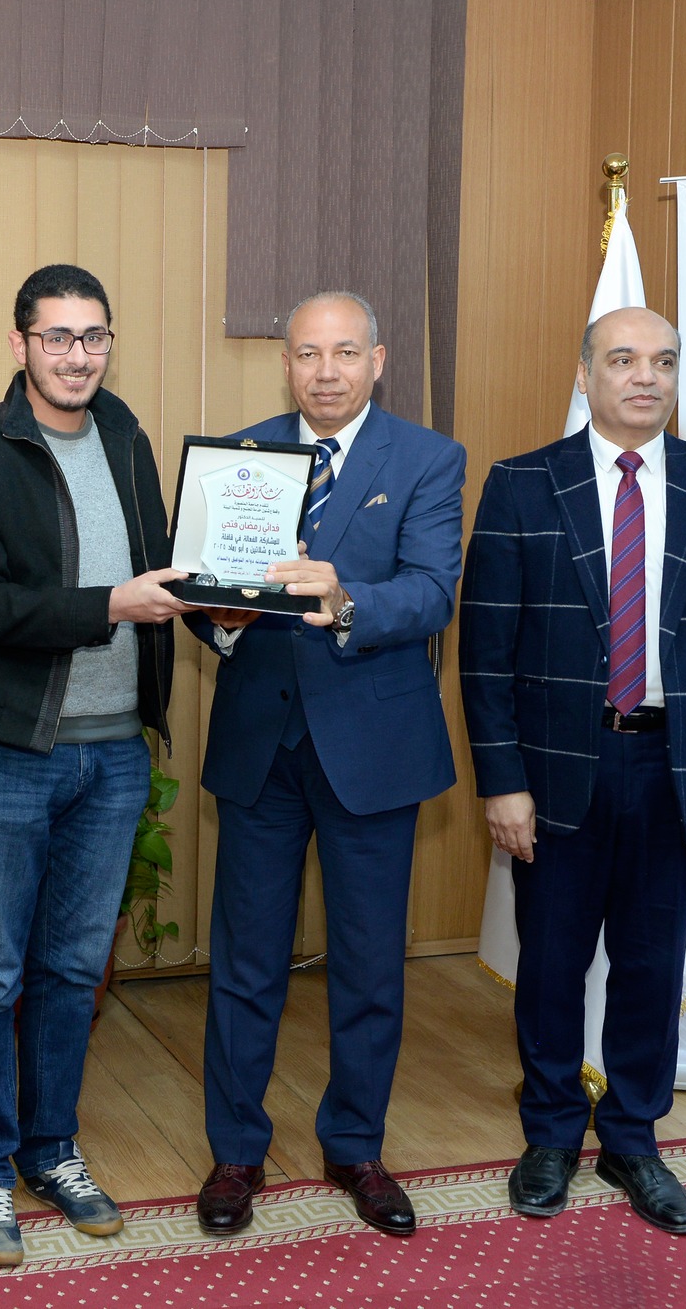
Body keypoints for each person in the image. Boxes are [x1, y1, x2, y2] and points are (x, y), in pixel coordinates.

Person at [459, 306, 686, 1235]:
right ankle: (552, 1133)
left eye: (664, 361)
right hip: (558, 768)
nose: (646, 376)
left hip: (677, 766)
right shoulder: (523, 484)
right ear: (585, 373)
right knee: (552, 963)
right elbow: (484, 653)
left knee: (649, 963)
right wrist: (502, 780)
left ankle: (633, 1139)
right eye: (624, 359)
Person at [187, 291, 465, 1240]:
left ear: (378, 360)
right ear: (286, 364)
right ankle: (236, 1150)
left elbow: (431, 594)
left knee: (370, 964)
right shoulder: (240, 457)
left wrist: (345, 600)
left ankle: (355, 1146)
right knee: (245, 962)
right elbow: (205, 594)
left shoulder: (427, 458)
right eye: (308, 353)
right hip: (261, 749)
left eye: (346, 352)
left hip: (372, 750)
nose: (327, 371)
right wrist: (219, 620)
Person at [0, 263, 183, 1266]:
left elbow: (163, 570)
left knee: (72, 971)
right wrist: (108, 605)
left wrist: (224, 600)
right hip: (6, 752)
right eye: (58, 337)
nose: (78, 355)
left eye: (94, 336)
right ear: (20, 344)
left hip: (114, 755)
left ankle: (51, 1149)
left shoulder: (127, 436)